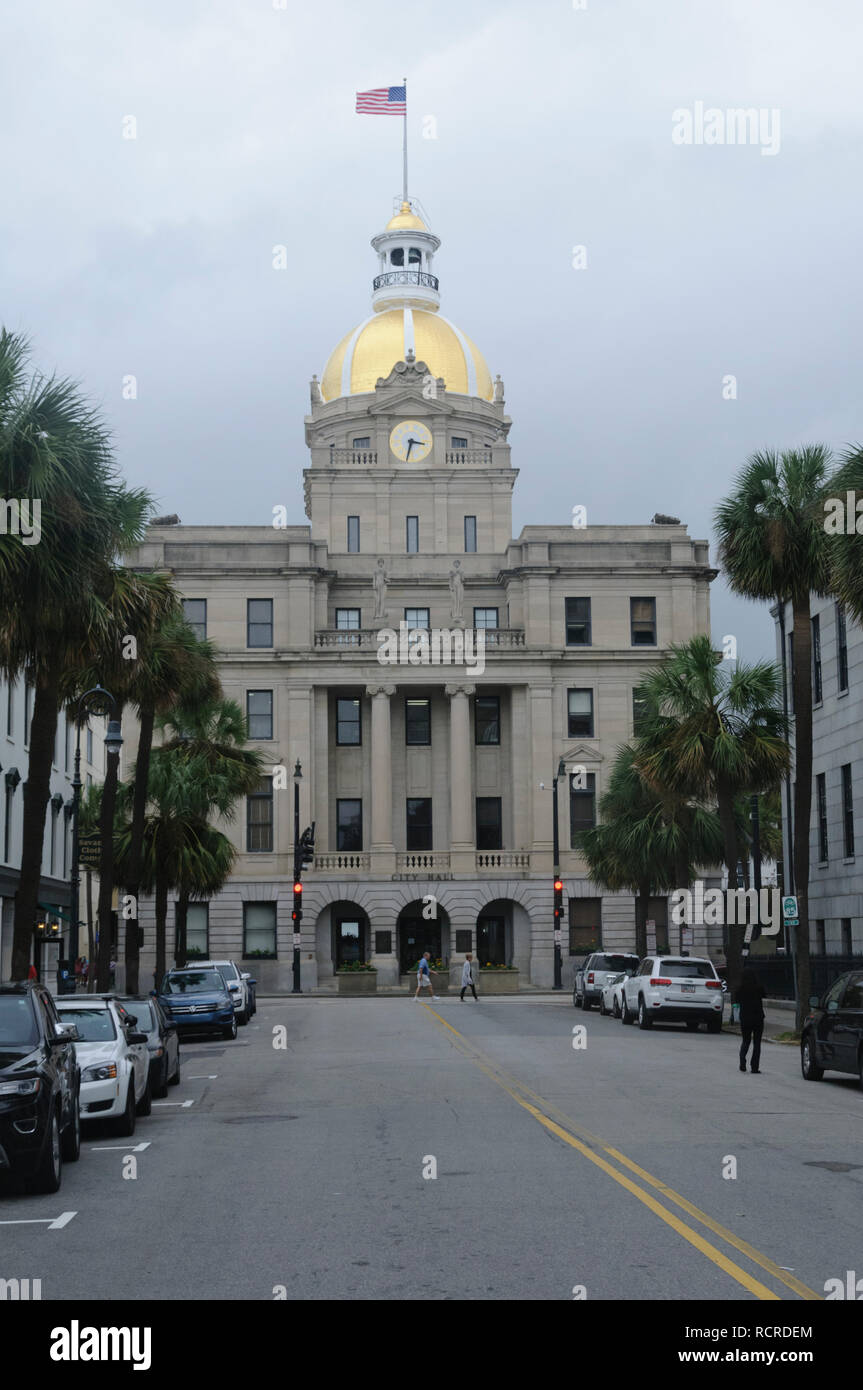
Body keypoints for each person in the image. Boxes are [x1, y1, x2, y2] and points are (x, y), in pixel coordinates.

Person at [734, 967, 766, 1073]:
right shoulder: (759, 987)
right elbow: (764, 995)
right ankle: (755, 1067)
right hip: (758, 1017)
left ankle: (742, 1062)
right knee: (757, 1043)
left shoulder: (740, 988)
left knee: (746, 1041)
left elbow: (736, 999)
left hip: (745, 1017)